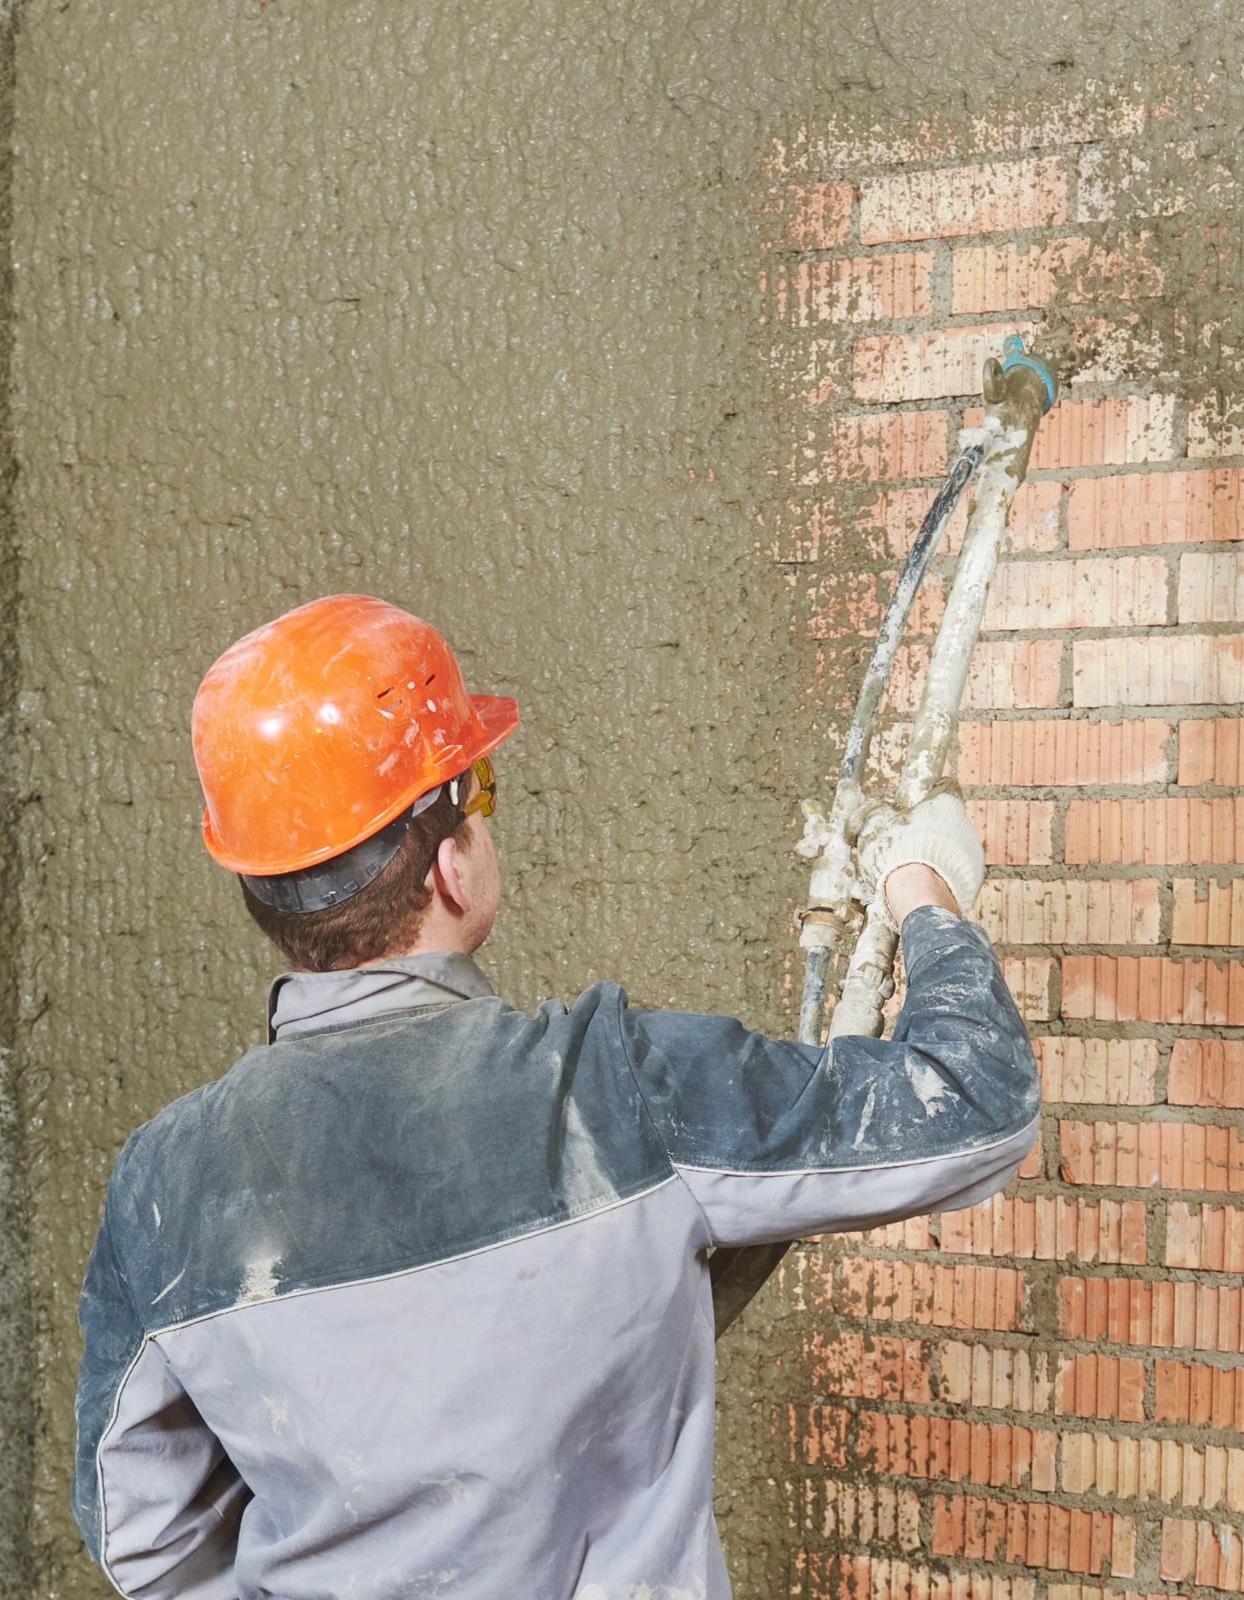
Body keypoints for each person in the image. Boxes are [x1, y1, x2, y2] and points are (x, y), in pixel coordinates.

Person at [72, 594, 1040, 1598]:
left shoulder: (163, 1184)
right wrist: (923, 890)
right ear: (450, 864)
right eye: (477, 789)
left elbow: (142, 1530)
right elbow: (973, 1103)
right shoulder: (609, 1090)